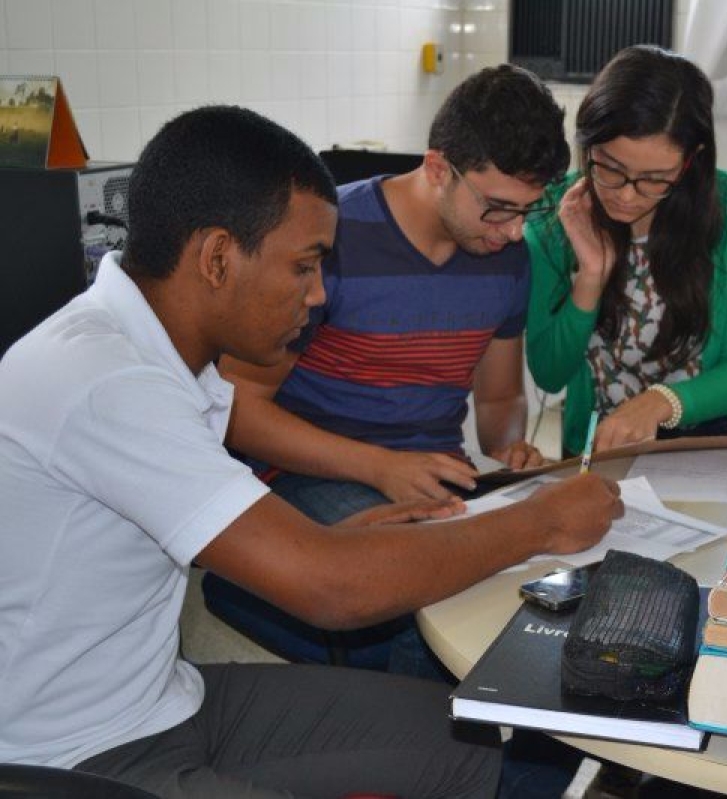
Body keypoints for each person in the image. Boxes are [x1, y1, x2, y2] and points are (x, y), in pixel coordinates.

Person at [0, 105, 622, 798]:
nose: (320, 292)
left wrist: (342, 539)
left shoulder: (167, 355)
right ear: (216, 258)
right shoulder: (106, 379)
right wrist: (542, 521)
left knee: (462, 737)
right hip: (72, 757)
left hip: (163, 697)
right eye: (305, 266)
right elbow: (331, 589)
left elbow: (181, 535)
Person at [220, 64, 571, 522]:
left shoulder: (507, 258)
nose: (512, 230)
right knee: (408, 571)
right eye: (498, 207)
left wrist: (511, 452)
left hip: (434, 478)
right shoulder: (330, 237)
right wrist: (381, 467)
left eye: (528, 209)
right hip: (307, 475)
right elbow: (237, 406)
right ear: (438, 169)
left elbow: (498, 399)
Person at [525, 45, 727, 457]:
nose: (625, 195)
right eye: (610, 167)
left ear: (691, 162)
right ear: (587, 145)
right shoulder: (556, 215)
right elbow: (550, 375)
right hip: (608, 452)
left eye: (654, 178)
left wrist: (659, 403)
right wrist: (590, 276)